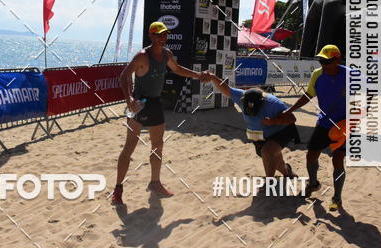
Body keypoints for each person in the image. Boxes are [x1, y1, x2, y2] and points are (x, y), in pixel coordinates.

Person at [112, 21, 204, 205]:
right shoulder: (142, 56)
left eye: (165, 34)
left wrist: (197, 75)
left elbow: (177, 69)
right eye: (159, 34)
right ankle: (118, 189)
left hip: (154, 104)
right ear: (151, 36)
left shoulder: (167, 54)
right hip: (139, 105)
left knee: (158, 146)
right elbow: (124, 76)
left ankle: (155, 183)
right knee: (129, 147)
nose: (163, 38)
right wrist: (129, 99)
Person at [281, 44, 347, 210]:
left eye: (327, 61)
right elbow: (308, 95)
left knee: (338, 160)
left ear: (338, 60)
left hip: (343, 126)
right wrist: (290, 110)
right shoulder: (317, 75)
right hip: (324, 123)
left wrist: (357, 115)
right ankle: (313, 183)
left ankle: (337, 198)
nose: (323, 64)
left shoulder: (351, 75)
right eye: (321, 61)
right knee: (311, 156)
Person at [203, 71, 299, 179]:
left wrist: (273, 121)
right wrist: (213, 77)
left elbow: (292, 118)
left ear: (262, 102)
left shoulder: (273, 103)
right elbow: (225, 88)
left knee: (268, 152)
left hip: (283, 130)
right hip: (261, 135)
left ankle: (269, 182)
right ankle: (287, 172)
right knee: (273, 157)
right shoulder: (241, 97)